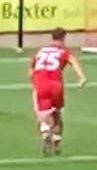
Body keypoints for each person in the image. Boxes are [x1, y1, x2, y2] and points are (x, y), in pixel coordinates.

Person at [29, 27, 88, 156]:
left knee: (44, 113)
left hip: (41, 84)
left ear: (52, 37)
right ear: (63, 38)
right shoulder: (63, 51)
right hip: (56, 84)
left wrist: (34, 83)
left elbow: (31, 69)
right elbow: (73, 61)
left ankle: (45, 131)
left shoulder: (41, 51)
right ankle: (56, 140)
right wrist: (81, 77)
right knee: (57, 114)